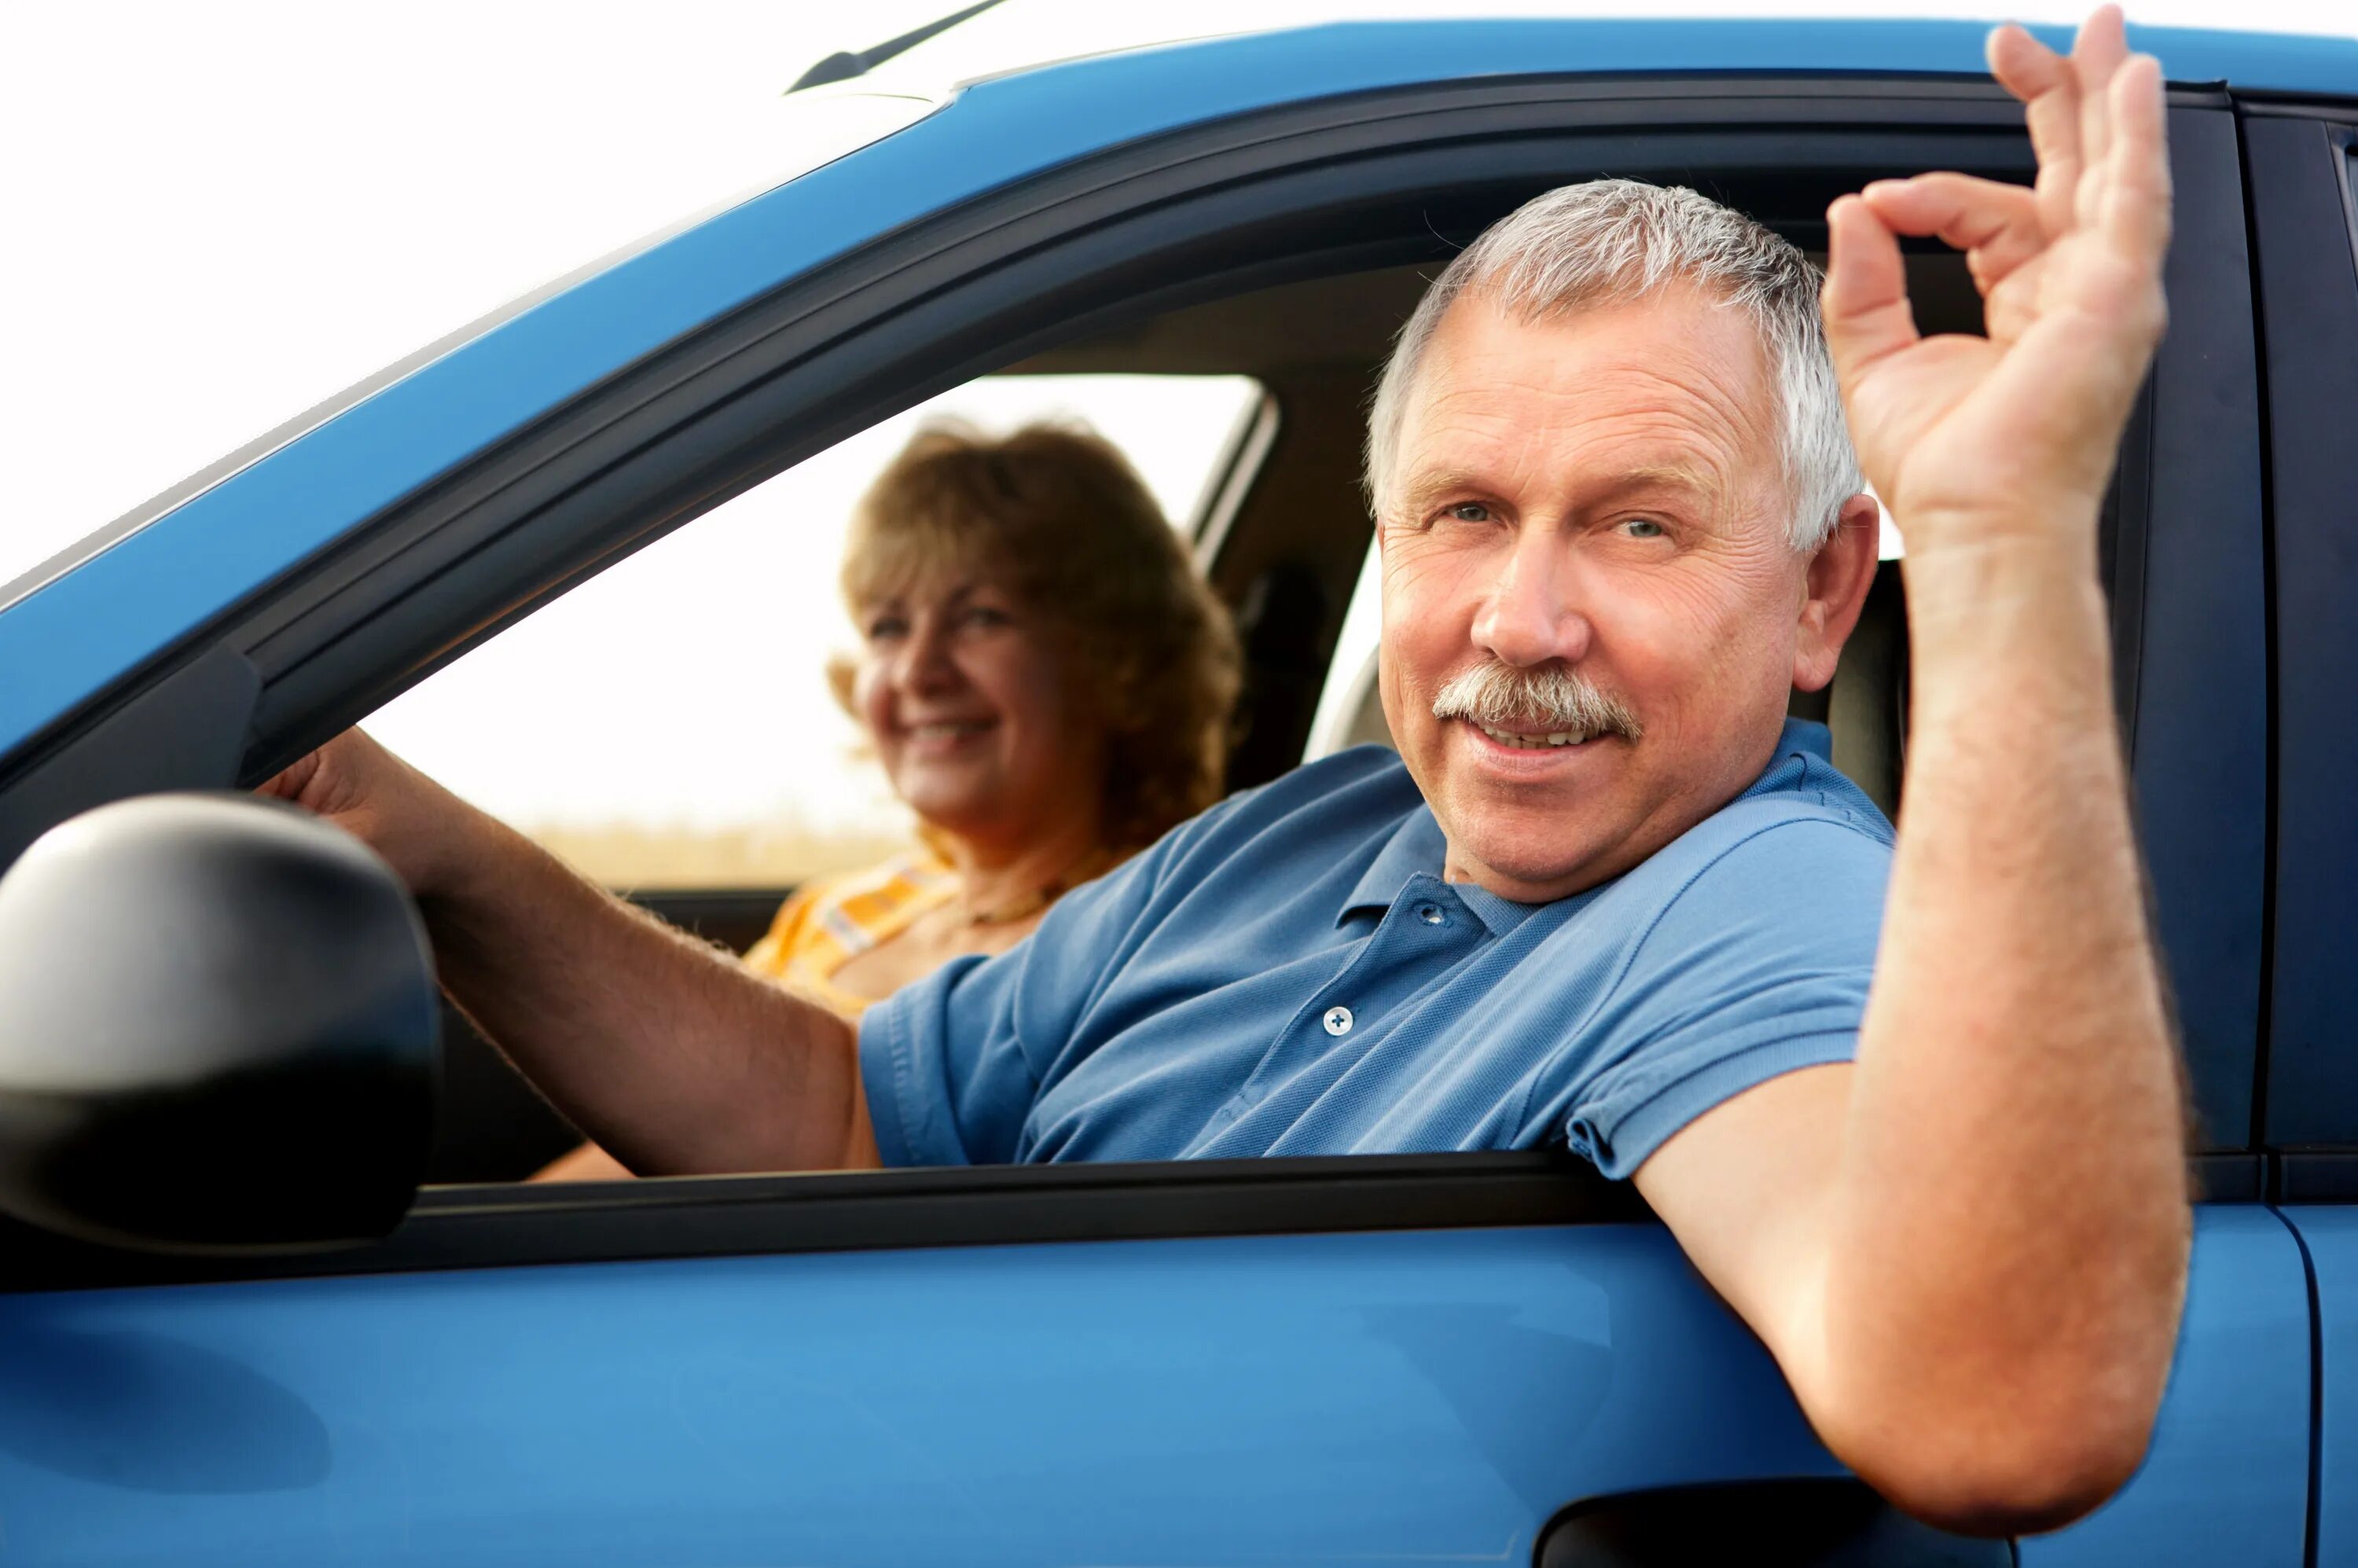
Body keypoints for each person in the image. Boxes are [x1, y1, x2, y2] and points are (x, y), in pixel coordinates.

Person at [268, 9, 2186, 1535]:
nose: (1519, 620)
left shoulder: (1739, 911)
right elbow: (848, 1123)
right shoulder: (1302, 834)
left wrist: (2009, 540)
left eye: (1635, 528)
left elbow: (1994, 1413)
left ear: (1820, 592)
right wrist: (433, 848)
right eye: (1460, 515)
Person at [534, 420, 1240, 1180]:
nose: (918, 672)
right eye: (889, 627)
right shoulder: (842, 910)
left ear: (1114, 659)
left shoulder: (1161, 939)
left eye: (981, 617)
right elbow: (648, 1145)